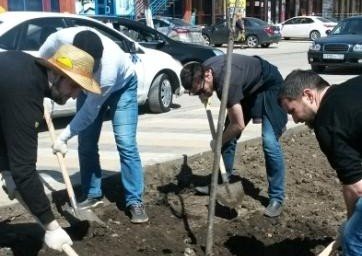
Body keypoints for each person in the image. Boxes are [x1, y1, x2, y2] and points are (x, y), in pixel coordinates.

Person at [39, 27, 148, 224]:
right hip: (86, 87)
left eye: (94, 66)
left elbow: (89, 113)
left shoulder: (107, 71)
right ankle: (92, 193)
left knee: (125, 142)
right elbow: (43, 57)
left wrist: (63, 138)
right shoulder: (61, 39)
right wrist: (44, 90)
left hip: (122, 88)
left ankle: (135, 200)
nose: (93, 69)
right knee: (86, 142)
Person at [0, 44, 100, 251]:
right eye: (73, 86)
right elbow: (25, 171)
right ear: (56, 74)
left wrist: (6, 169)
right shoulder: (25, 90)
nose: (74, 96)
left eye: (78, 90)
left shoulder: (24, 68)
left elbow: (3, 129)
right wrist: (51, 226)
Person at [180, 54, 287, 217]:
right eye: (196, 93)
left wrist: (217, 141)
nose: (201, 94)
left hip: (269, 85)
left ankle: (276, 198)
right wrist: (204, 94)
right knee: (227, 139)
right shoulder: (205, 69)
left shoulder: (227, 83)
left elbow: (238, 125)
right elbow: (207, 90)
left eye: (201, 90)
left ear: (207, 74)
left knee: (269, 142)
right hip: (248, 88)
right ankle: (220, 183)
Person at [279, 70, 362, 255]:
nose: (296, 119)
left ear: (308, 95)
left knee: (353, 239)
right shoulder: (353, 86)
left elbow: (357, 188)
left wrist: (350, 222)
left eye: (293, 110)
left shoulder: (328, 122)